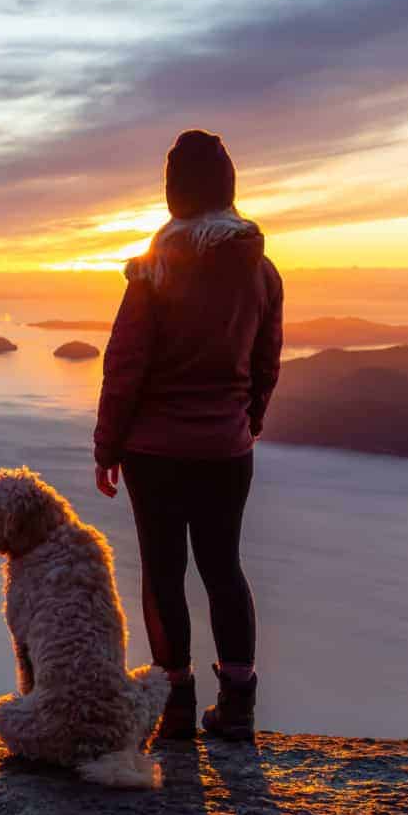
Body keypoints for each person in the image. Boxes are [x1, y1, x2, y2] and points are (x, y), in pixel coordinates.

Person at [92, 130, 283, 741]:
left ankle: (175, 706)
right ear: (229, 187)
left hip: (155, 450)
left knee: (164, 570)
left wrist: (108, 447)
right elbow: (265, 362)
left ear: (174, 192)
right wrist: (246, 422)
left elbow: (125, 364)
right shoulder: (262, 271)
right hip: (227, 450)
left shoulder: (154, 271)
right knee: (224, 568)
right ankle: (239, 706)